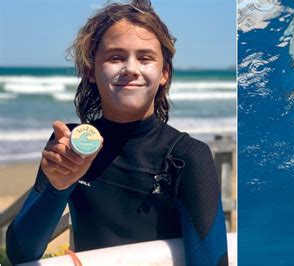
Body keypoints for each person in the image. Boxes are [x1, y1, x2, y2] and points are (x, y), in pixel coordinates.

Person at [6, 1, 228, 265]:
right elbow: (21, 253)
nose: (131, 69)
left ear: (164, 73)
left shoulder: (188, 157)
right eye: (116, 57)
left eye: (145, 58)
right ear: (91, 70)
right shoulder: (70, 147)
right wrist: (58, 187)